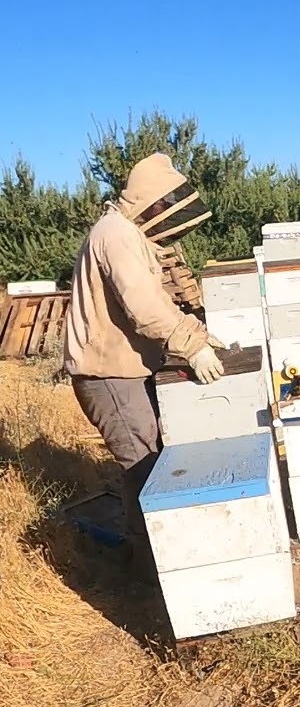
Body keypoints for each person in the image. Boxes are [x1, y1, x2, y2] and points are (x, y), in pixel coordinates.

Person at [63, 153, 225, 574]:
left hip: (125, 370)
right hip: (109, 374)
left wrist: (198, 331)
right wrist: (191, 345)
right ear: (151, 201)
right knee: (144, 468)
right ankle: (149, 569)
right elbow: (144, 308)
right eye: (164, 204)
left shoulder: (128, 234)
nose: (166, 213)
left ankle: (161, 557)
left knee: (155, 459)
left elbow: (160, 299)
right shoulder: (116, 235)